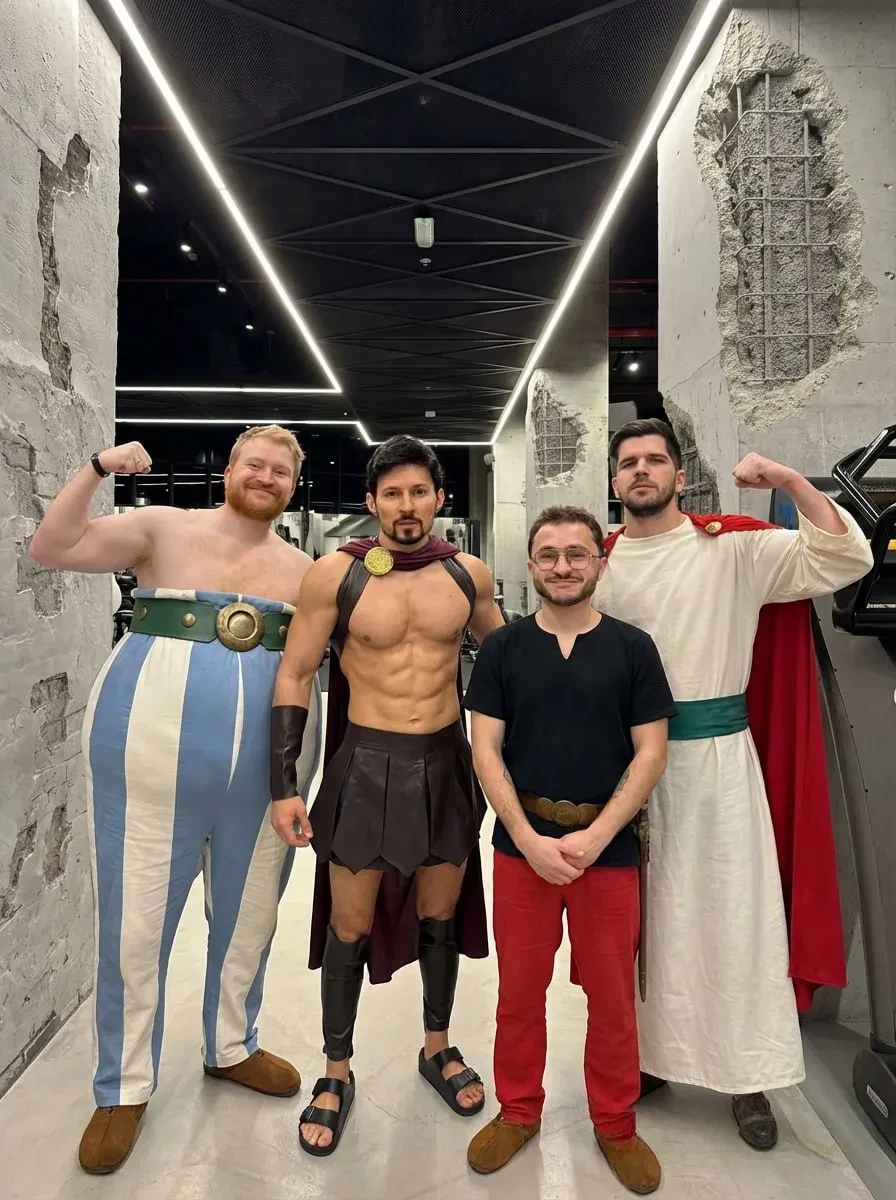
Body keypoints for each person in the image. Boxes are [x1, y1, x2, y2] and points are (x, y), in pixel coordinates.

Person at [29, 425, 322, 1174]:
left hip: (270, 776)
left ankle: (231, 1045)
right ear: (230, 469)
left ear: (293, 486)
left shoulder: (306, 570)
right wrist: (96, 466)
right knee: (134, 921)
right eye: (255, 463)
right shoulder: (162, 527)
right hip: (146, 758)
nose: (266, 477)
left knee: (252, 916)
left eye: (281, 471)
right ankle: (123, 1086)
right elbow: (52, 546)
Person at [596, 418, 874, 1150]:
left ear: (679, 475)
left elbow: (846, 556)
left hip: (718, 763)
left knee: (732, 917)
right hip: (628, 769)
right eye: (629, 462)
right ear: (615, 480)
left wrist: (787, 480)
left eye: (656, 460)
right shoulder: (599, 562)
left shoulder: (733, 548)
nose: (642, 471)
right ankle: (653, 1059)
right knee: (647, 922)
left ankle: (747, 1074)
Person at [269, 435, 505, 1156]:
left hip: (445, 763)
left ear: (439, 499)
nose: (407, 505)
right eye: (393, 493)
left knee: (440, 914)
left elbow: (508, 666)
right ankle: (336, 1069)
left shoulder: (466, 574)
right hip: (365, 765)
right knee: (349, 923)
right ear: (372, 502)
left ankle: (437, 1045)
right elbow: (294, 674)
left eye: (419, 492)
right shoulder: (334, 575)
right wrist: (284, 784)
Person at [463, 505, 675, 1195]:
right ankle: (518, 1109)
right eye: (549, 555)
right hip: (520, 846)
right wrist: (528, 839)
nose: (563, 566)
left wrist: (598, 835)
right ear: (531, 566)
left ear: (598, 562)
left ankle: (615, 1122)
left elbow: (650, 753)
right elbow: (485, 750)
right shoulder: (502, 649)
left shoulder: (633, 648)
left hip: (606, 850)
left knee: (611, 999)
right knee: (519, 993)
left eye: (577, 554)